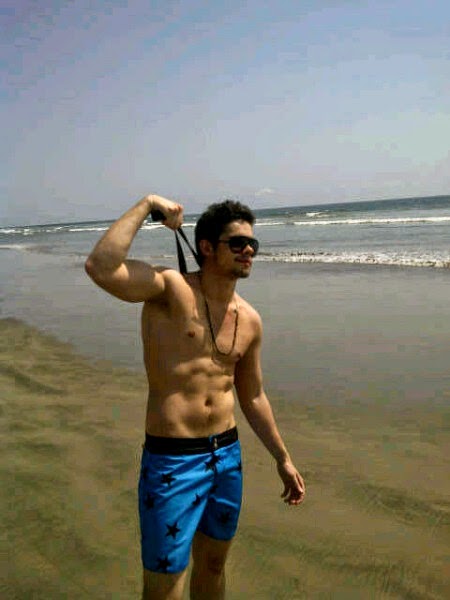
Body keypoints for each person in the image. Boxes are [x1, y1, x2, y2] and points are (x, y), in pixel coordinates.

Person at [85, 194, 305, 600]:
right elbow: (101, 267)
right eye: (237, 243)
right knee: (165, 583)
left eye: (252, 244)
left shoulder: (250, 319)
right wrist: (146, 204)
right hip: (173, 459)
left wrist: (283, 458)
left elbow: (253, 396)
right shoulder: (170, 289)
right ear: (206, 247)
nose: (248, 251)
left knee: (214, 565)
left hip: (227, 457)